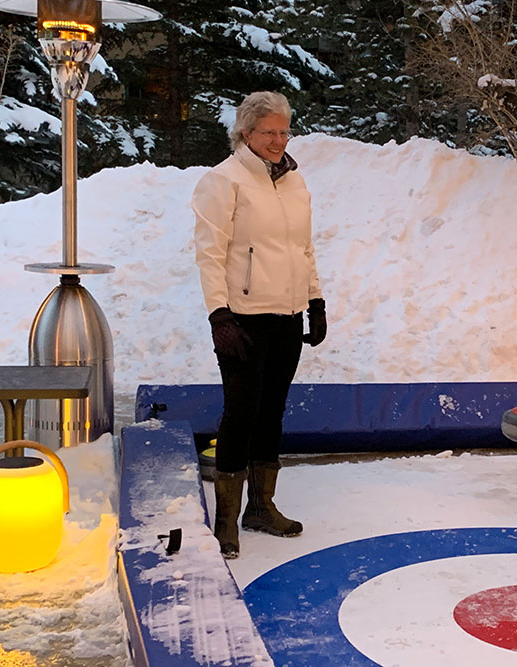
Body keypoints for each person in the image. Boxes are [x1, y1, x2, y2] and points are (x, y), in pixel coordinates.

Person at [192, 91, 327, 559]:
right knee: (241, 413)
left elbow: (302, 249)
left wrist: (315, 300)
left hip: (286, 315)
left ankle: (261, 507)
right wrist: (218, 315)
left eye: (284, 130)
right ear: (246, 132)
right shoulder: (223, 181)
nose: (277, 139)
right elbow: (209, 254)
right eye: (268, 131)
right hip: (243, 320)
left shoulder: (294, 181)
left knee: (272, 413)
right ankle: (226, 518)